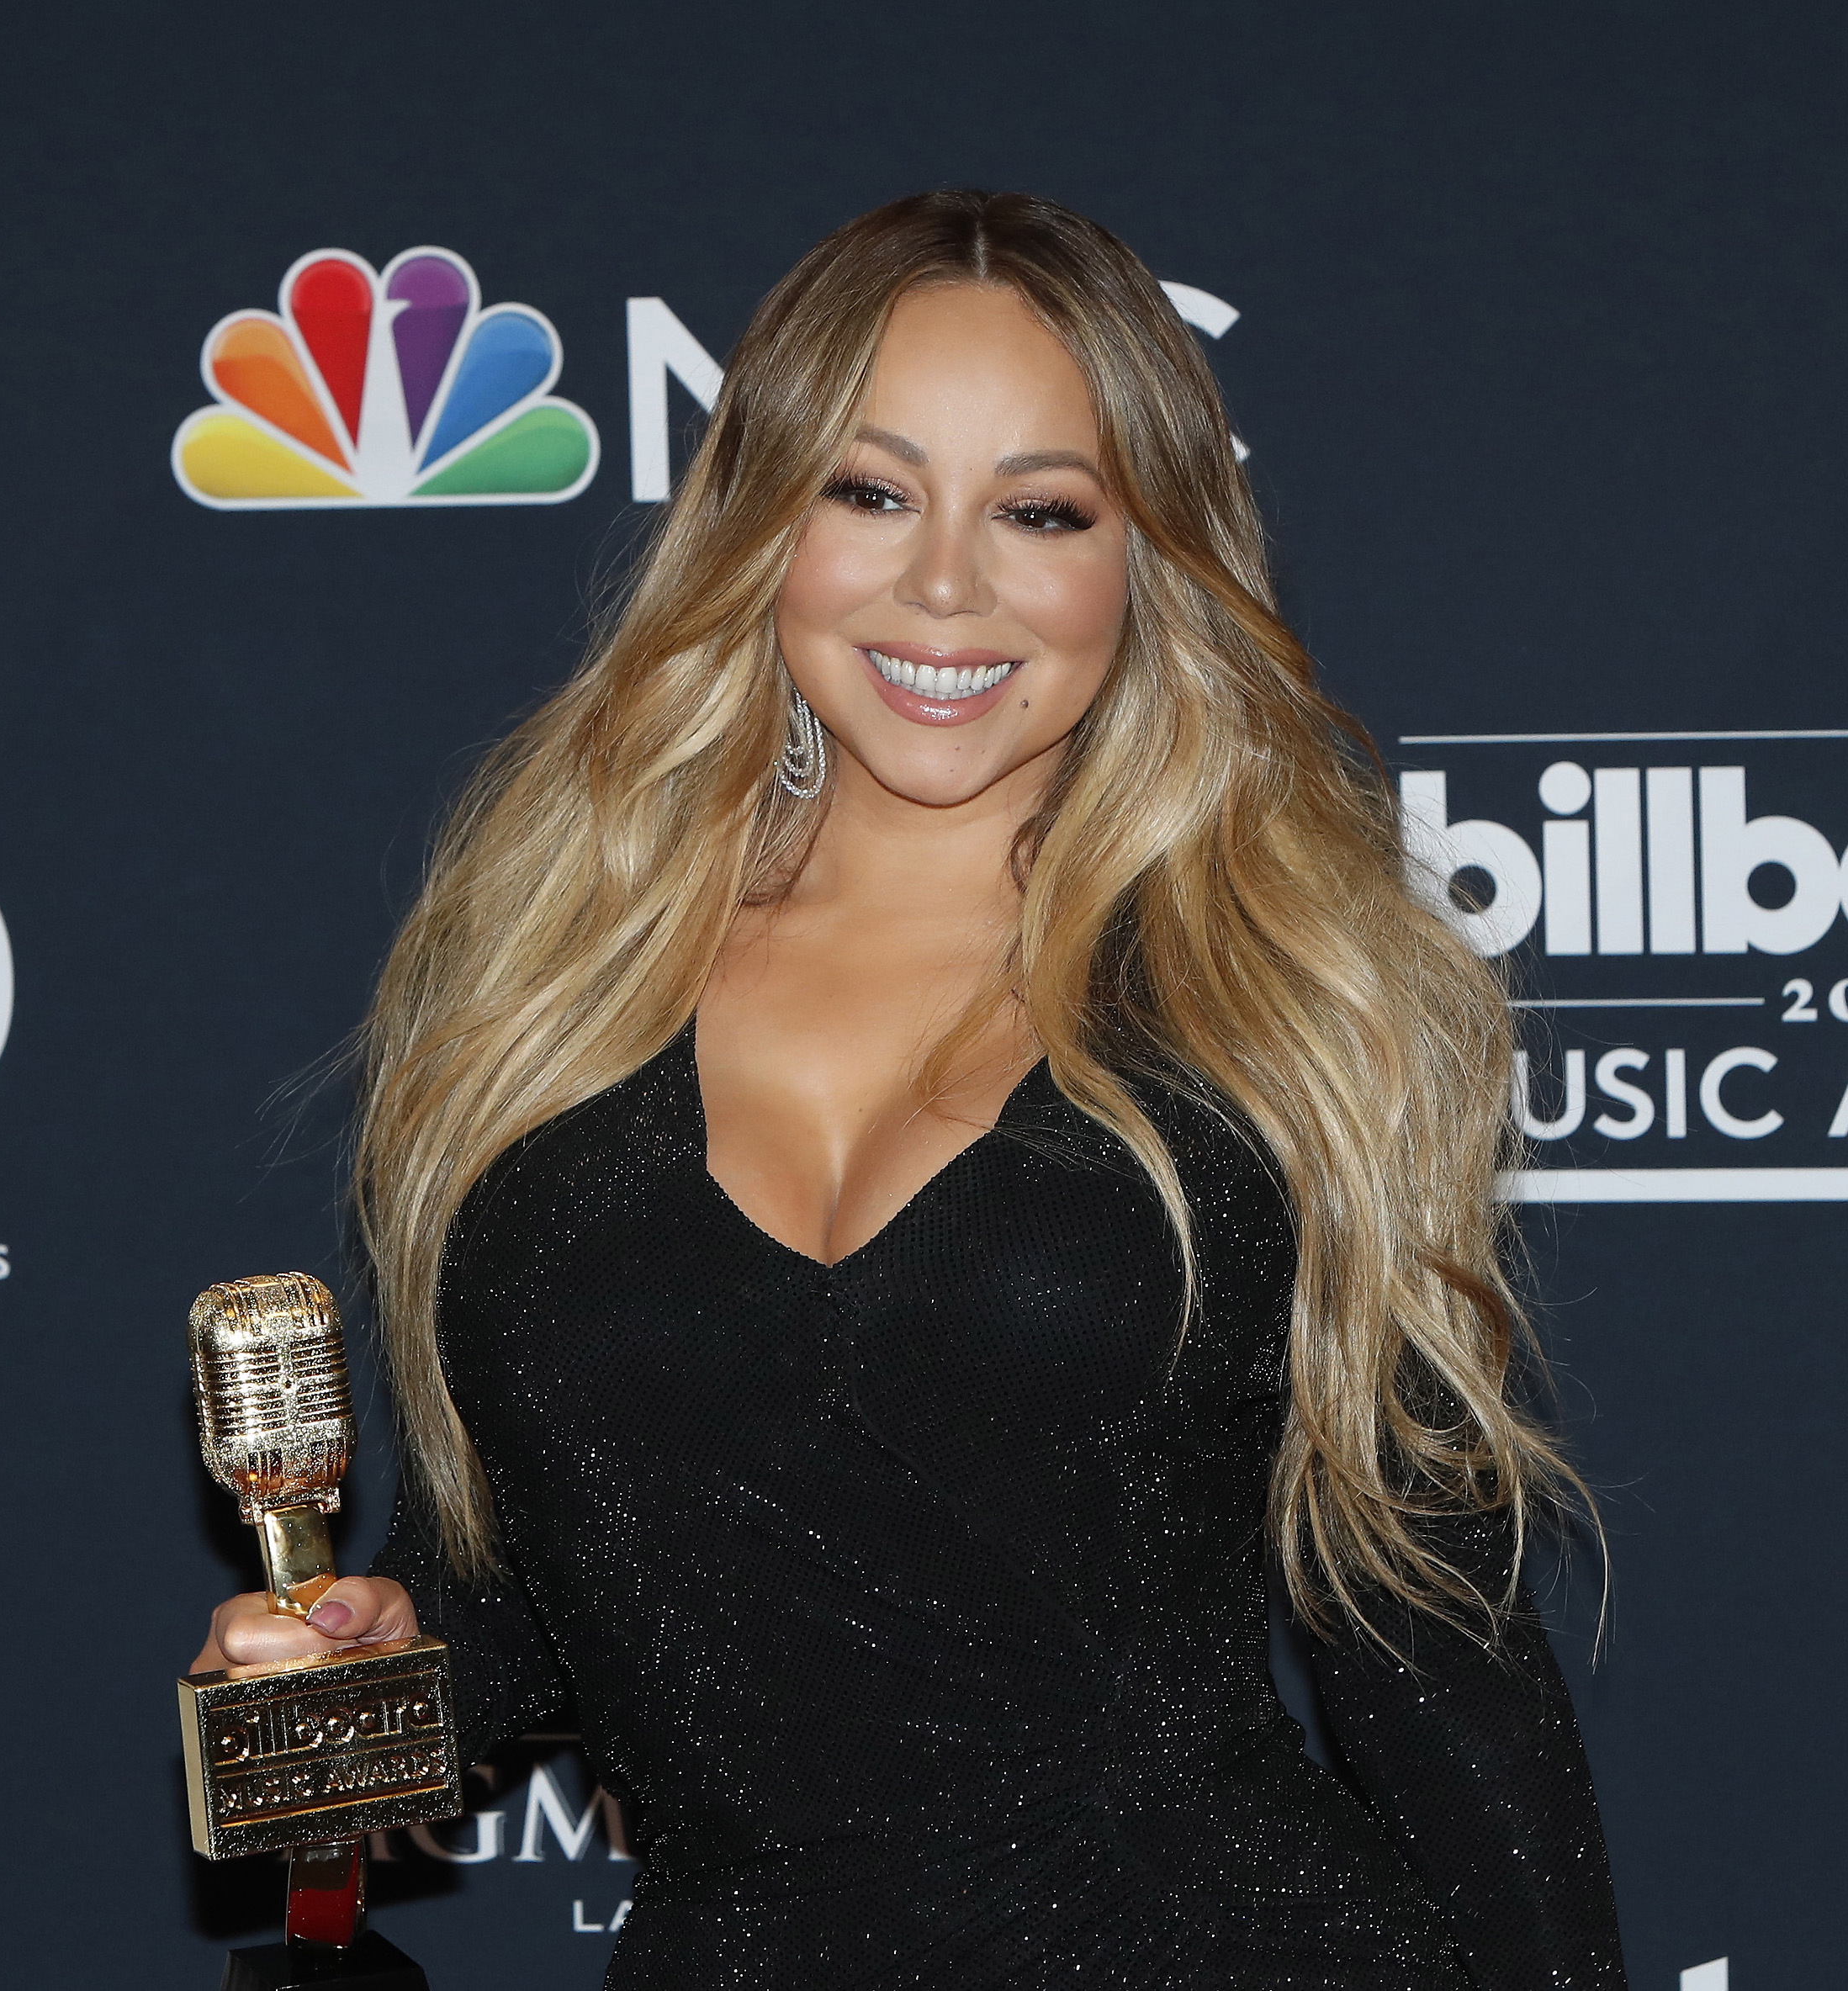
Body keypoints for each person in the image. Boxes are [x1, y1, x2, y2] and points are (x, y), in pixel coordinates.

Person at [195, 188, 1625, 1989]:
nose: (945, 583)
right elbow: (525, 1582)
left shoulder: (1279, 1005)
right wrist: (363, 1671)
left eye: (1038, 510)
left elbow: (1437, 1667)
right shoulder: (552, 987)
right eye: (869, 492)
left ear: (1148, 558)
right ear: (760, 520)